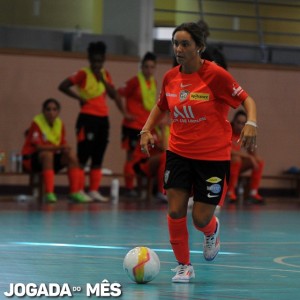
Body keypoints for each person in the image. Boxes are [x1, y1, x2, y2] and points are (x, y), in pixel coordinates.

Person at [140, 22, 258, 283]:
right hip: (179, 153)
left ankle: (212, 231)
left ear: (199, 47)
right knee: (174, 210)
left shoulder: (216, 75)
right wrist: (146, 130)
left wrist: (251, 123)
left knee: (200, 218)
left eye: (185, 44)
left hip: (212, 158)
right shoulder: (170, 77)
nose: (178, 49)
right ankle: (184, 266)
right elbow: (161, 106)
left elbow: (247, 100)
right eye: (175, 43)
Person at [58, 41, 130, 202]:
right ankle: (77, 190)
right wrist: (79, 98)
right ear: (89, 59)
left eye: (100, 61)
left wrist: (103, 80)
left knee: (98, 156)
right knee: (83, 155)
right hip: (87, 119)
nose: (97, 64)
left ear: (103, 59)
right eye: (94, 61)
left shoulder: (106, 74)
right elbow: (62, 86)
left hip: (103, 119)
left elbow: (113, 95)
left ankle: (93, 190)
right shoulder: (82, 74)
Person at [21, 98, 85, 203]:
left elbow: (62, 142)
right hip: (32, 160)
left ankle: (74, 192)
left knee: (71, 155)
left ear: (58, 112)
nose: (51, 112)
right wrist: (60, 148)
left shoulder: (60, 124)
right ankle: (49, 193)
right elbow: (39, 147)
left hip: (51, 159)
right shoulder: (37, 122)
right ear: (43, 111)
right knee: (47, 155)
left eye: (54, 110)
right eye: (48, 109)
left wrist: (66, 148)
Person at [117, 52, 157, 197]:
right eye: (146, 67)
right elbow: (118, 93)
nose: (149, 70)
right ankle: (128, 188)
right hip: (132, 125)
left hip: (144, 127)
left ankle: (142, 189)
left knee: (142, 157)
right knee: (130, 157)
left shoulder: (153, 82)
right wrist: (125, 113)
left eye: (152, 67)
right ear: (141, 67)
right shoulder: (134, 81)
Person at [227, 110, 265, 204]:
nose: (240, 125)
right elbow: (228, 151)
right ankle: (230, 192)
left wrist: (251, 141)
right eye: (238, 122)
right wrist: (249, 157)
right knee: (236, 159)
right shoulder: (227, 130)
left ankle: (253, 193)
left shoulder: (244, 133)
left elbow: (252, 154)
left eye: (243, 123)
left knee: (259, 161)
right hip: (224, 165)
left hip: (235, 166)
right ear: (233, 122)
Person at [132, 124, 169, 202]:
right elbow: (164, 148)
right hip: (141, 162)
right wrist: (162, 129)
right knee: (166, 156)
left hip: (156, 161)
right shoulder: (150, 130)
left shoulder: (169, 130)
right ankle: (161, 191)